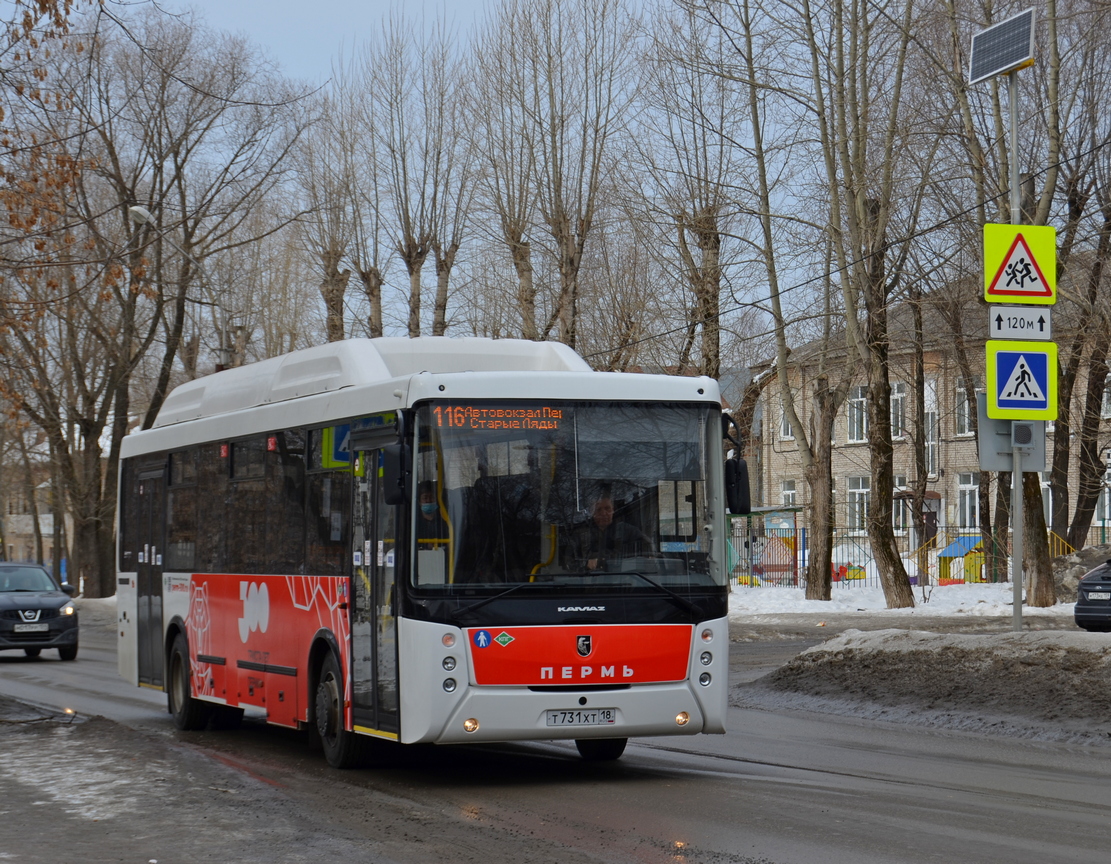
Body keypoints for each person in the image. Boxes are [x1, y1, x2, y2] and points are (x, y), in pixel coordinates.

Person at [568, 494, 651, 571]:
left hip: (624, 581)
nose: (604, 513)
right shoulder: (581, 535)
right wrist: (585, 563)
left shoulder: (628, 531)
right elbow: (569, 562)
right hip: (588, 583)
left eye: (607, 508)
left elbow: (649, 551)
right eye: (598, 510)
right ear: (592, 512)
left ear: (613, 510)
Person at [416, 480, 450, 546]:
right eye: (425, 498)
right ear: (419, 501)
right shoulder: (415, 522)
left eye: (431, 497)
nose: (428, 500)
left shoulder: (445, 519)